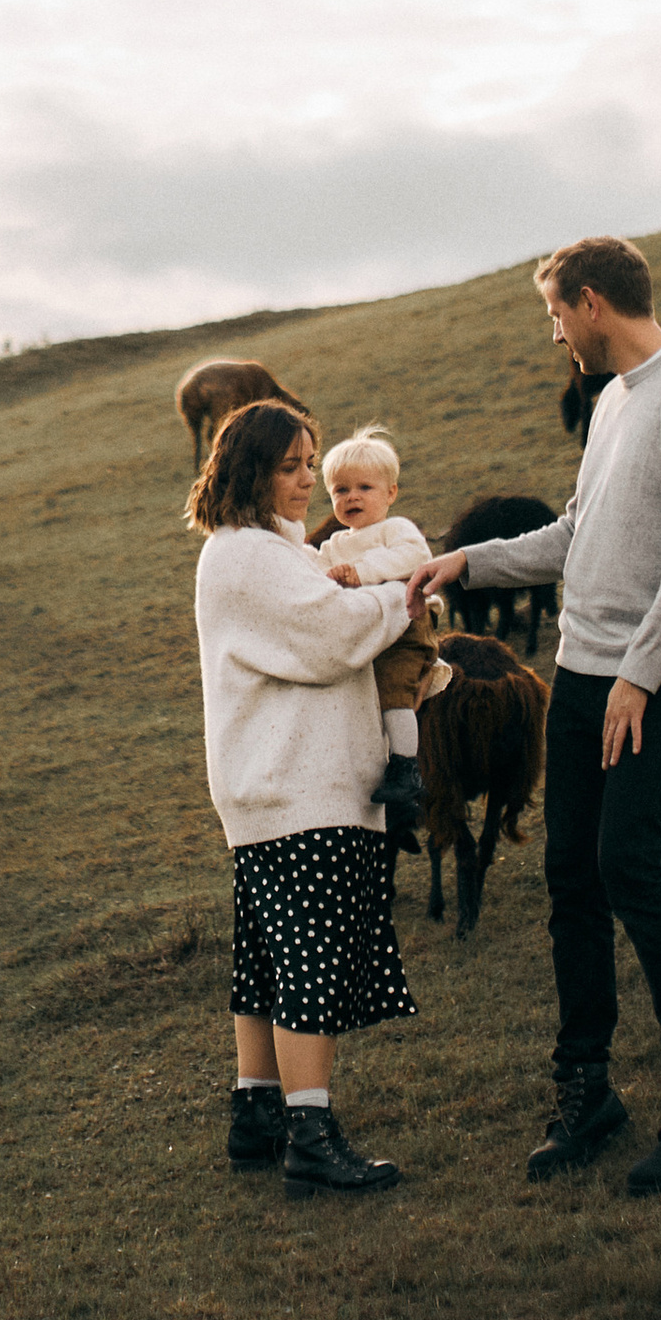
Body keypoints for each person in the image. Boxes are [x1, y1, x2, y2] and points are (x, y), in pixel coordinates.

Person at [411, 235, 661, 1195]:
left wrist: (642, 673)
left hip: (655, 676)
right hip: (580, 669)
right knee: (572, 876)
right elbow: (579, 532)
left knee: (628, 862)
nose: (556, 333)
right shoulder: (610, 404)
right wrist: (467, 563)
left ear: (593, 301)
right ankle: (587, 1089)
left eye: (557, 314)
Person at [190, 399, 434, 1199]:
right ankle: (311, 1134)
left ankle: (256, 1113)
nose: (308, 481)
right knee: (309, 963)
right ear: (251, 469)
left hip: (286, 786)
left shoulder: (275, 551)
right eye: (292, 466)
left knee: (267, 961)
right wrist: (407, 597)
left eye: (310, 462)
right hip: (297, 788)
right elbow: (330, 637)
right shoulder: (247, 555)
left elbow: (332, 619)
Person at [311, 422, 445, 834]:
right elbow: (316, 572)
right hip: (367, 631)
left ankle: (407, 767)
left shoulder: (396, 530)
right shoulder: (334, 545)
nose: (352, 497)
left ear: (391, 494)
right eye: (340, 490)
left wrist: (363, 573)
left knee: (393, 691)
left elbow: (413, 558)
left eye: (365, 488)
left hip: (408, 624)